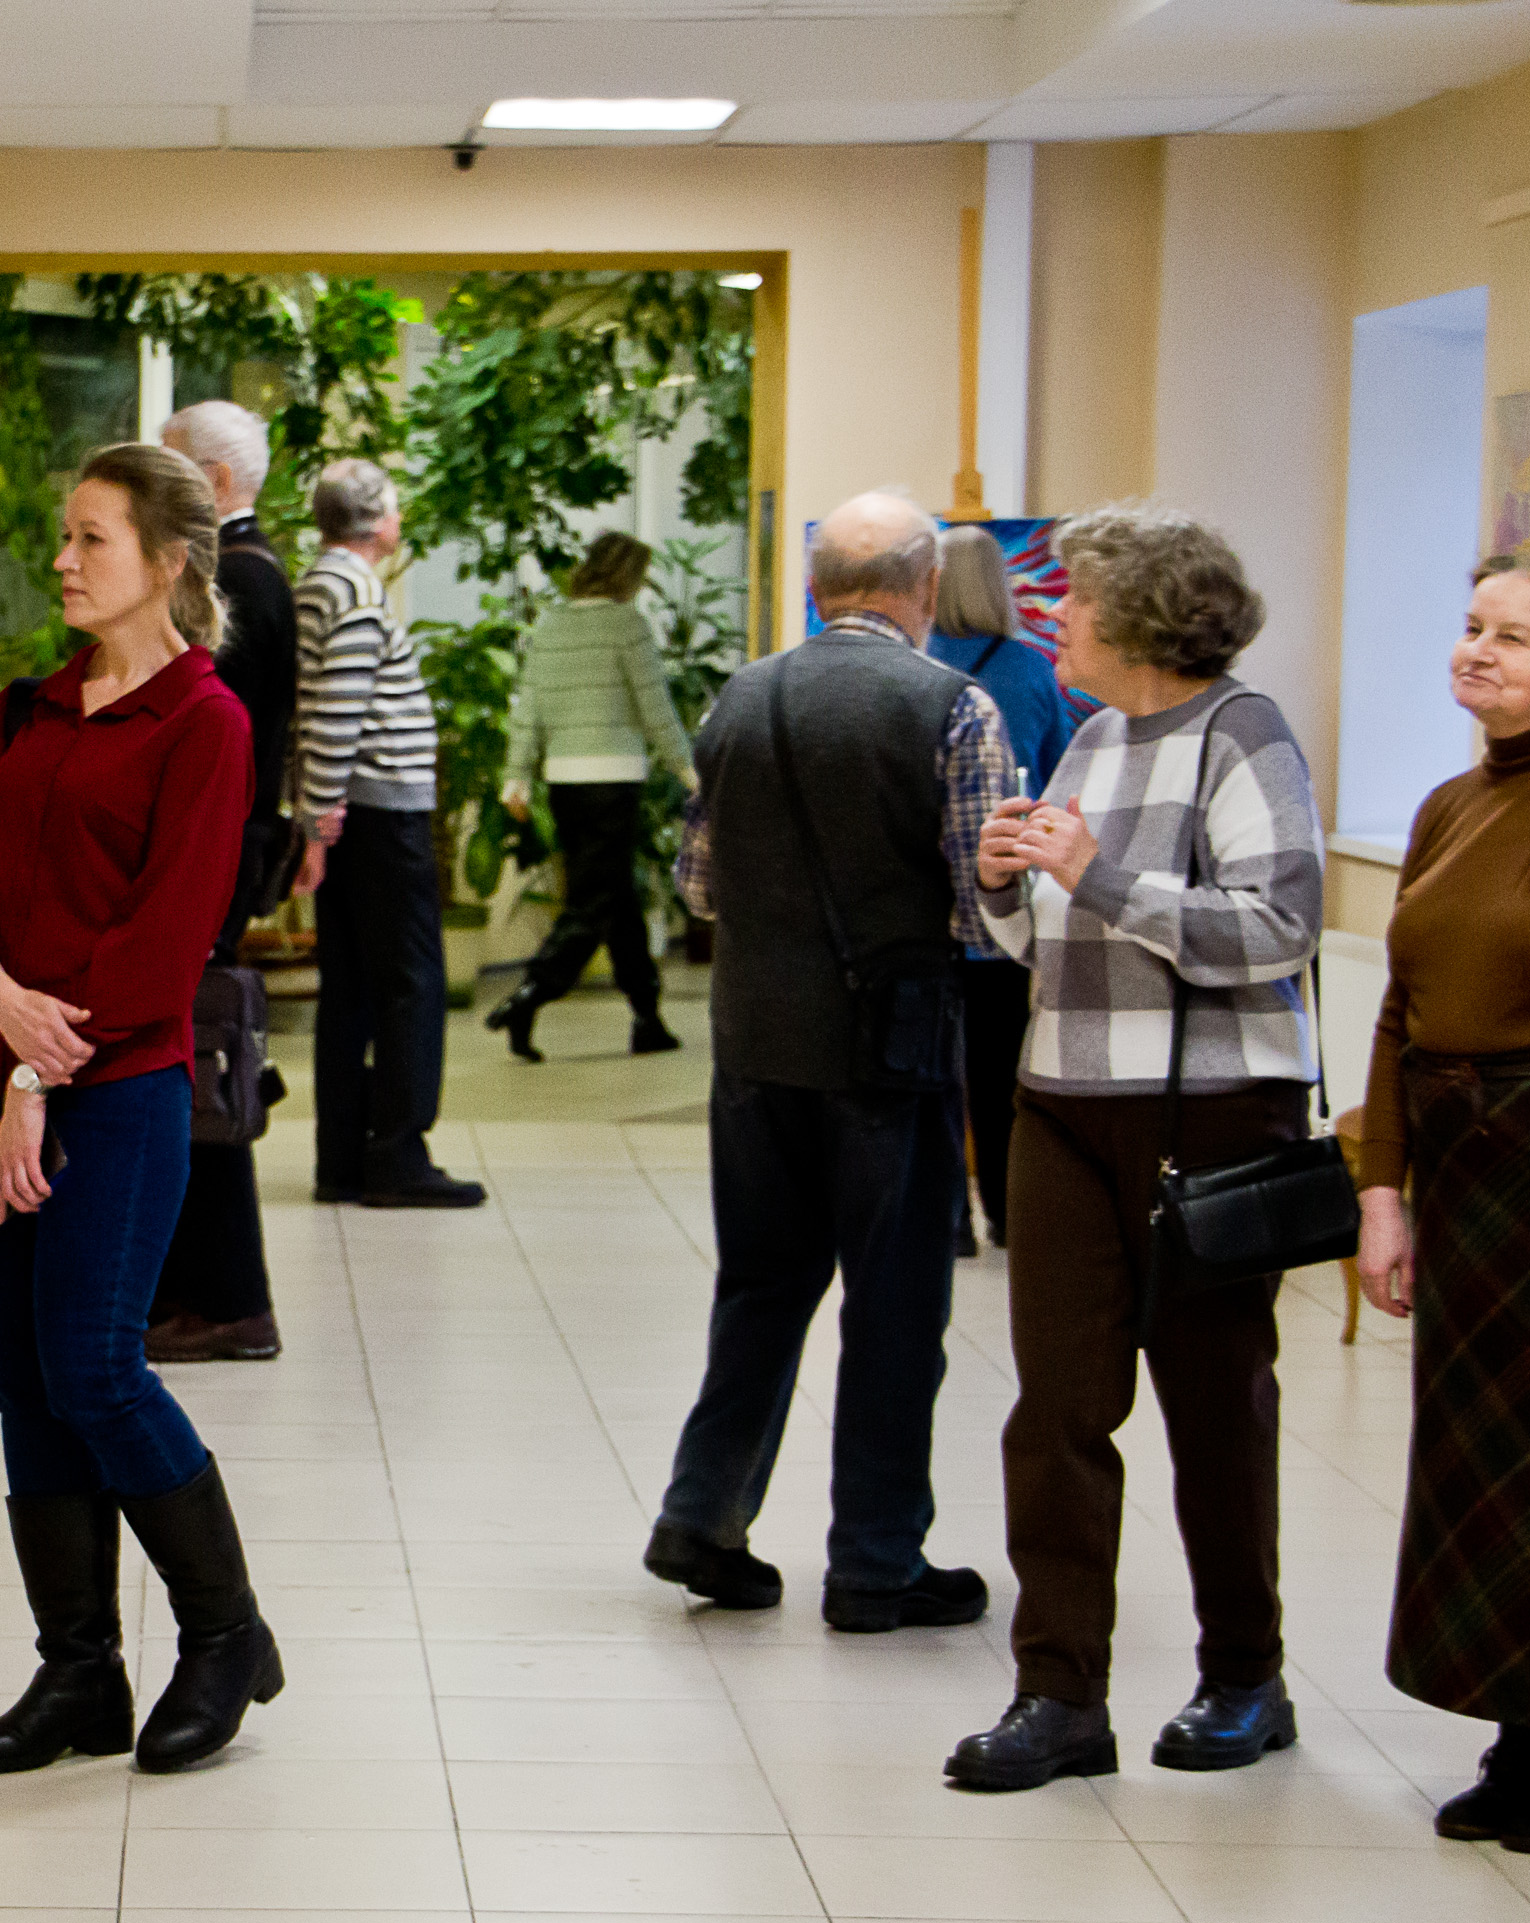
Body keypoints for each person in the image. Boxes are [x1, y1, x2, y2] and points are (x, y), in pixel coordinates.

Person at [0, 441, 283, 1778]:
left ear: (168, 562)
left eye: (91, 540)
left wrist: (35, 1068)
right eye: (63, 536)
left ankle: (225, 1635)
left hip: (114, 1095)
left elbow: (160, 944)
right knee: (21, 1379)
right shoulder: (24, 711)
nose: (62, 561)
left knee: (92, 1367)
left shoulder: (205, 724)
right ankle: (78, 1674)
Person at [949, 502, 1326, 1792]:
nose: (1055, 617)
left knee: (1215, 1408)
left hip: (1210, 1115)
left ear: (1146, 616)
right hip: (1062, 1099)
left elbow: (1276, 928)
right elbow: (1046, 944)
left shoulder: (1241, 732)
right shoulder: (1093, 736)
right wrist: (1003, 884)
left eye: (1079, 599)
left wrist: (1094, 874)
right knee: (1053, 1411)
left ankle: (1244, 1677)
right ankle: (1056, 1695)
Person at [643, 490, 1011, 1634]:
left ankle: (702, 1517)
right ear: (922, 589)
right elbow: (981, 906)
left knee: (757, 1287)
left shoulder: (740, 697)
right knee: (893, 1305)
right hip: (886, 1053)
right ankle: (873, 1562)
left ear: (814, 590)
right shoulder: (952, 707)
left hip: (753, 1043)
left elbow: (697, 885)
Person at [1356, 554, 1530, 1851]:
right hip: (1463, 1172)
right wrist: (1381, 1189)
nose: (1475, 650)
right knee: (1476, 1459)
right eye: (1471, 627)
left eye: (1510, 638)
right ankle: (1514, 1733)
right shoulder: (1445, 805)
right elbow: (1395, 1010)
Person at [147, 401, 297, 1363]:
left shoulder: (237, 579)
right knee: (193, 1065)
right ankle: (195, 1289)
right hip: (225, 849)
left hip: (215, 856)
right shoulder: (250, 568)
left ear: (218, 482)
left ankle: (231, 1298)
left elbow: (212, 736)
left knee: (202, 1064)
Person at [295, 458, 484, 1208]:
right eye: (396, 506)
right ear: (376, 521)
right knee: (411, 984)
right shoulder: (356, 592)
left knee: (350, 987)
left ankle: (342, 1158)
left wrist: (315, 813)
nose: (401, 518)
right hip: (378, 811)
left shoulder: (317, 583)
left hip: (348, 812)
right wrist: (319, 819)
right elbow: (337, 712)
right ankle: (400, 1153)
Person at [929, 526, 1080, 1253]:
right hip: (1005, 889)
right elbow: (1059, 774)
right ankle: (1006, 1210)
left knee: (935, 1063)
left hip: (929, 893)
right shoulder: (1030, 668)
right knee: (997, 1062)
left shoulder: (917, 665)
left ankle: (947, 1219)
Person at [488, 531, 695, 1062]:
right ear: (627, 575)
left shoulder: (550, 625)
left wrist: (517, 775)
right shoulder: (627, 625)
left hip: (563, 783)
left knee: (616, 896)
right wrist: (689, 770)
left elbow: (529, 707)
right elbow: (655, 707)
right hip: (613, 781)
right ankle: (531, 993)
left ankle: (647, 1016)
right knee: (596, 899)